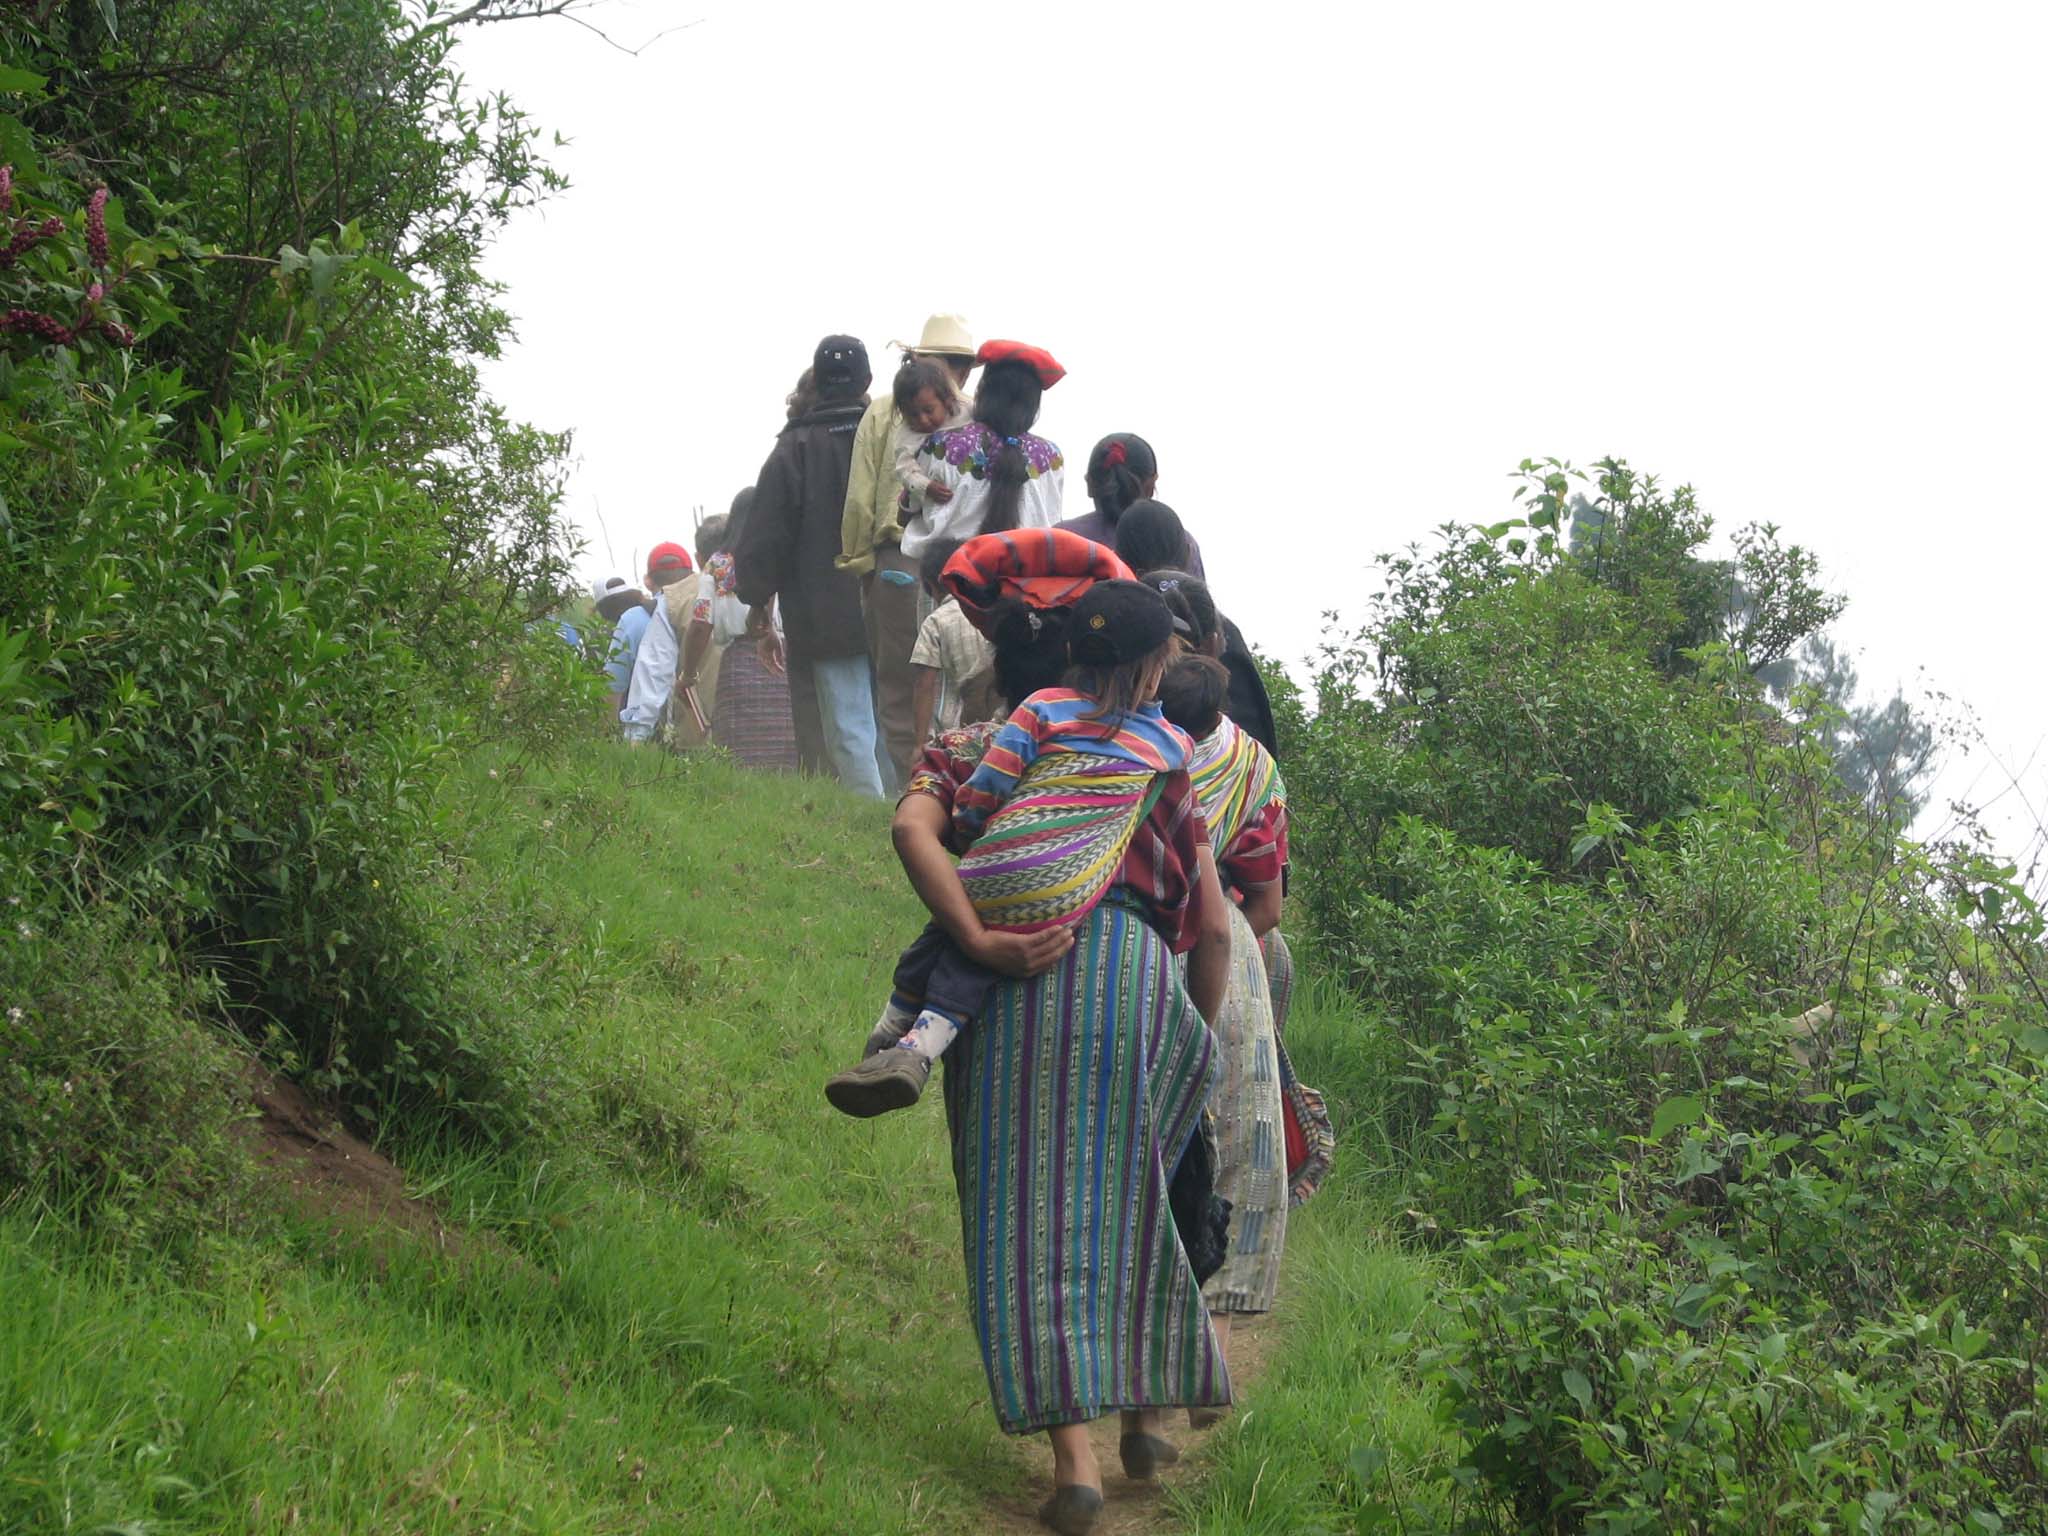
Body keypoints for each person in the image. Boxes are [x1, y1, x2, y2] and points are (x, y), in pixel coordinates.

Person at [879, 529, 1234, 1533]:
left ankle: (1071, 1463)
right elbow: (1210, 924)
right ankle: (1143, 1413)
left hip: (1003, 983)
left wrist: (978, 942)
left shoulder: (968, 748)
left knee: (1025, 1211)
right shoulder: (1155, 758)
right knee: (1129, 1192)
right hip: (1126, 979)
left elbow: (914, 832)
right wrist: (1189, 1044)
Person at [824, 578, 1193, 1118]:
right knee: (990, 927)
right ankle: (910, 1042)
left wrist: (974, 828)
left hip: (993, 869)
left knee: (952, 932)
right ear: (1157, 668)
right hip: (1069, 896)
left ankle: (904, 1036)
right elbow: (1185, 886)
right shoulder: (1170, 747)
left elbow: (985, 789)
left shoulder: (1037, 711)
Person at [1150, 622, 1291, 1377]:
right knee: (1239, 1134)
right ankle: (1216, 1355)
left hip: (1127, 940)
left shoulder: (1119, 749)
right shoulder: (1249, 767)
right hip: (1222, 945)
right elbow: (1265, 904)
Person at [736, 336, 891, 795]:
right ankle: (912, 821)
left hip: (826, 611)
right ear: (867, 380)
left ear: (818, 383)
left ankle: (875, 828)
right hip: (895, 600)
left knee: (849, 727)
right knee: (897, 722)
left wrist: (757, 601)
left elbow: (766, 533)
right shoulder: (892, 438)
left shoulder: (794, 447)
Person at [840, 315, 980, 790]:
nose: (958, 374)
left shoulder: (883, 412)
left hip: (898, 561)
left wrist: (860, 566)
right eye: (956, 363)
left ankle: (912, 791)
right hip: (966, 562)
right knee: (967, 677)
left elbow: (860, 496)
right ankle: (959, 787)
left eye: (961, 365)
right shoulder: (973, 412)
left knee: (901, 684)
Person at [899, 339, 1066, 561]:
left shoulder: (939, 446)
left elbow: (905, 512)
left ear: (983, 390)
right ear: (1033, 403)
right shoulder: (1052, 457)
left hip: (946, 584)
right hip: (1025, 588)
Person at [1061, 434, 1207, 579]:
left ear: (1089, 486)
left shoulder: (1059, 538)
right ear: (1151, 486)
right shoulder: (1180, 542)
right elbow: (1197, 599)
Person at [906, 538, 998, 745]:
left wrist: (920, 745)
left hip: (961, 731)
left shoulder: (935, 621)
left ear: (930, 585)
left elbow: (924, 684)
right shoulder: (994, 610)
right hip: (1004, 720)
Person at [619, 542, 699, 745]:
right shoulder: (745, 594)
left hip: (687, 731)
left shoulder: (664, 608)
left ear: (648, 581)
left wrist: (635, 738)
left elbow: (653, 672)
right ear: (692, 572)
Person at [594, 574, 653, 726]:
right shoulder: (657, 612)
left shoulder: (628, 621)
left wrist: (607, 734)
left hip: (639, 722)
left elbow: (613, 686)